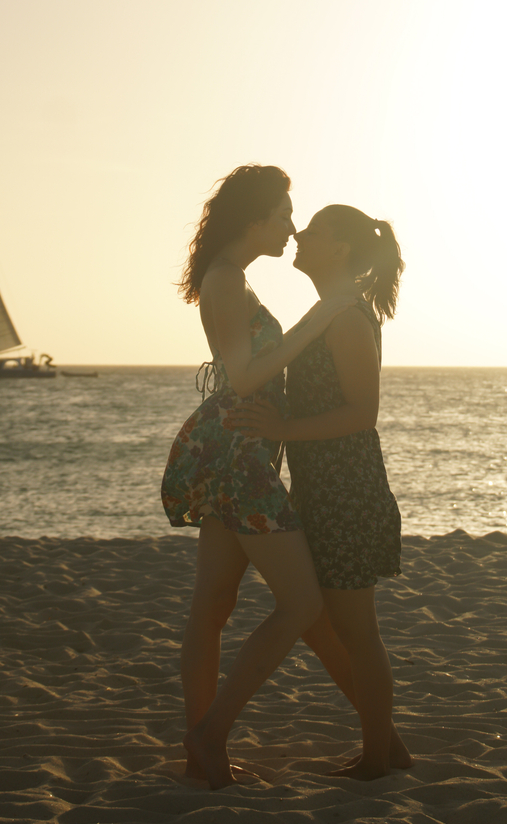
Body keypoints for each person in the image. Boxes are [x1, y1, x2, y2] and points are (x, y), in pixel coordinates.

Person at [160, 165, 352, 790]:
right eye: (285, 214)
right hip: (238, 457)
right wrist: (322, 316)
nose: (293, 226)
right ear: (256, 219)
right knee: (301, 602)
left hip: (231, 451)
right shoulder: (225, 280)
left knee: (213, 606)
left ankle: (201, 752)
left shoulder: (230, 278)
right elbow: (244, 376)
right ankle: (209, 733)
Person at [232, 203, 411, 780]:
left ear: (338, 249)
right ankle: (388, 746)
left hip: (348, 491)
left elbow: (362, 414)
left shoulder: (349, 319)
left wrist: (280, 429)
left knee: (358, 633)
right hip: (320, 489)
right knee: (314, 618)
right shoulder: (328, 310)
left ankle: (380, 761)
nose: (298, 235)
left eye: (312, 230)